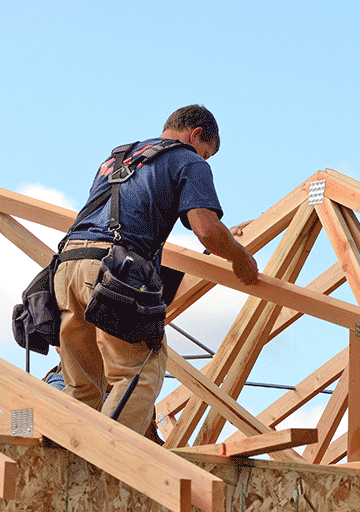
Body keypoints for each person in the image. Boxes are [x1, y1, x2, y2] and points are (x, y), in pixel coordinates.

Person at [54, 104, 258, 439]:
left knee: (84, 385)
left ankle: (70, 464)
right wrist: (238, 257)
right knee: (139, 373)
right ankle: (109, 463)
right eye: (207, 153)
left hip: (68, 267)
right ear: (195, 135)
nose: (204, 160)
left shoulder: (119, 158)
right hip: (114, 270)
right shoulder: (187, 159)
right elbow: (205, 228)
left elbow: (127, 218)